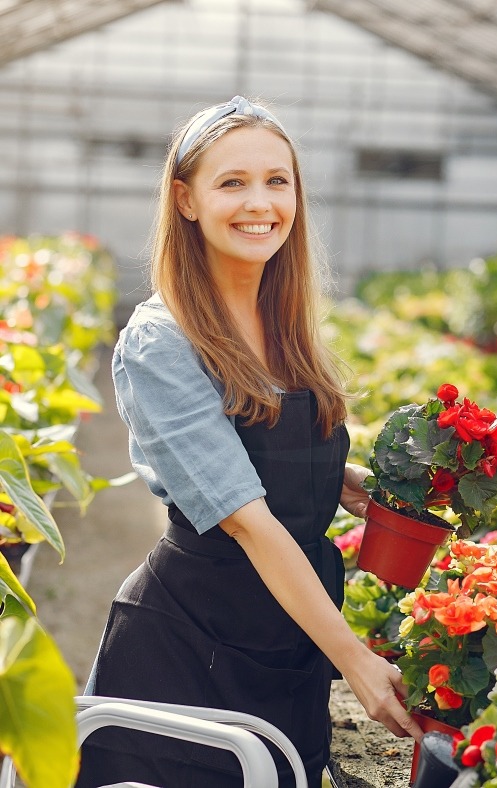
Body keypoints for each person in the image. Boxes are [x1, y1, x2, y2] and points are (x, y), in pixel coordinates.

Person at [77, 96, 422, 788]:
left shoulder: (284, 321)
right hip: (188, 646)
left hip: (285, 641)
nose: (259, 202)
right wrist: (354, 658)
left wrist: (336, 474)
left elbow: (259, 449)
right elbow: (248, 520)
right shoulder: (161, 340)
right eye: (231, 182)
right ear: (186, 200)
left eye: (277, 180)